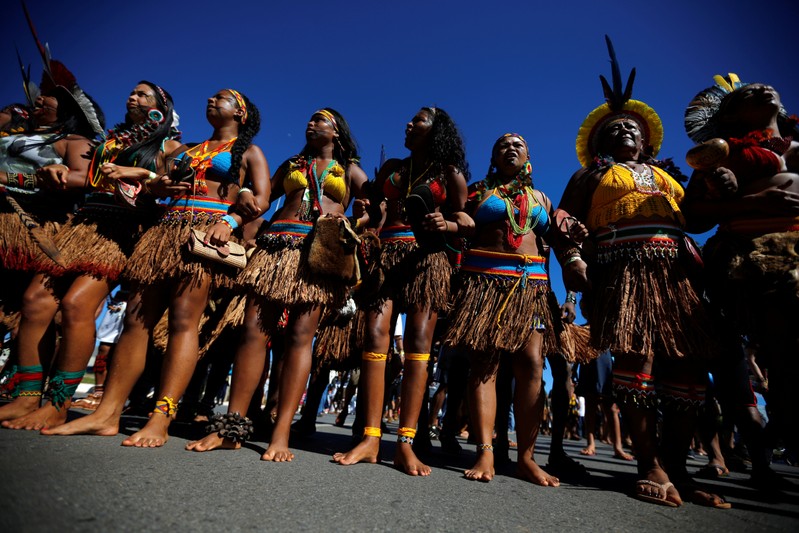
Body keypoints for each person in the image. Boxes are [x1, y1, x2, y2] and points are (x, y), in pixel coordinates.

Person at [43, 89, 269, 447]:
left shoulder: (250, 152)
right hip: (164, 235)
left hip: (205, 236)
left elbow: (260, 200)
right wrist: (158, 184)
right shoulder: (188, 149)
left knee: (183, 321)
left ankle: (161, 417)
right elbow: (153, 181)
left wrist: (230, 219)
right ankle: (107, 414)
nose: (211, 100)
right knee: (135, 320)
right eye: (210, 96)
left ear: (240, 112)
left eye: (222, 98)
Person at [557, 37, 728, 508]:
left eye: (632, 128)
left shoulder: (669, 176)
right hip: (623, 272)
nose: (625, 132)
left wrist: (713, 183)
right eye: (614, 130)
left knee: (688, 366)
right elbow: (564, 222)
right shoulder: (589, 177)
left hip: (677, 275)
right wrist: (573, 258)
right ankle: (647, 463)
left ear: (647, 139)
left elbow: (696, 219)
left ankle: (677, 466)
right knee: (639, 361)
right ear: (598, 143)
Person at [186, 108, 366, 460]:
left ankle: (281, 433)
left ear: (337, 134)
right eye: (309, 118)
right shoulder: (292, 165)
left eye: (321, 120)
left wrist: (352, 222)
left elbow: (378, 206)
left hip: (318, 254)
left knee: (301, 337)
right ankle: (230, 427)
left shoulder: (351, 171)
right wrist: (244, 202)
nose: (311, 123)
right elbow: (265, 198)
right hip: (276, 247)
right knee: (254, 330)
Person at [2, 81, 179, 431]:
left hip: (120, 232)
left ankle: (58, 404)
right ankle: (26, 397)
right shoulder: (107, 143)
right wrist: (59, 173)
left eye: (144, 95)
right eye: (132, 91)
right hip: (82, 224)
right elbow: (82, 177)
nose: (133, 96)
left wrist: (143, 175)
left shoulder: (169, 146)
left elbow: (173, 183)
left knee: (75, 306)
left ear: (161, 107)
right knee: (35, 302)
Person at [332, 107, 469, 476]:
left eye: (419, 119)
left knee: (419, 345)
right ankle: (371, 438)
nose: (409, 123)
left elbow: (466, 218)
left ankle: (405, 444)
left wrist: (448, 223)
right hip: (387, 255)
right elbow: (376, 208)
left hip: (428, 259)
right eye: (409, 120)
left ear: (436, 129)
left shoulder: (449, 172)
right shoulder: (393, 165)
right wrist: (365, 210)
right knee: (375, 336)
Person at [445, 133, 585, 484]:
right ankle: (485, 453)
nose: (511, 147)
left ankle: (526, 458)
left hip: (531, 287)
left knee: (532, 364)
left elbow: (558, 244)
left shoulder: (541, 199)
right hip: (485, 284)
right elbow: (456, 229)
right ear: (494, 156)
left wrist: (570, 290)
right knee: (485, 364)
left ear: (527, 157)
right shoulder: (478, 190)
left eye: (518, 144)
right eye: (503, 144)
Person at [682, 74, 799, 487]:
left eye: (766, 88)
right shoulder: (721, 155)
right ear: (731, 115)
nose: (764, 88)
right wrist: (744, 199)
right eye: (748, 93)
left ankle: (776, 430)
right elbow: (692, 215)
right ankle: (761, 456)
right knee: (748, 360)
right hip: (746, 264)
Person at [0, 67, 103, 424]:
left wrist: (11, 177)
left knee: (44, 306)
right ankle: (26, 394)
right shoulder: (12, 130)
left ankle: (46, 399)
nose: (38, 99)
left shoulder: (74, 142)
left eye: (49, 96)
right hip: (9, 226)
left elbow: (81, 177)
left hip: (36, 229)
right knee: (28, 305)